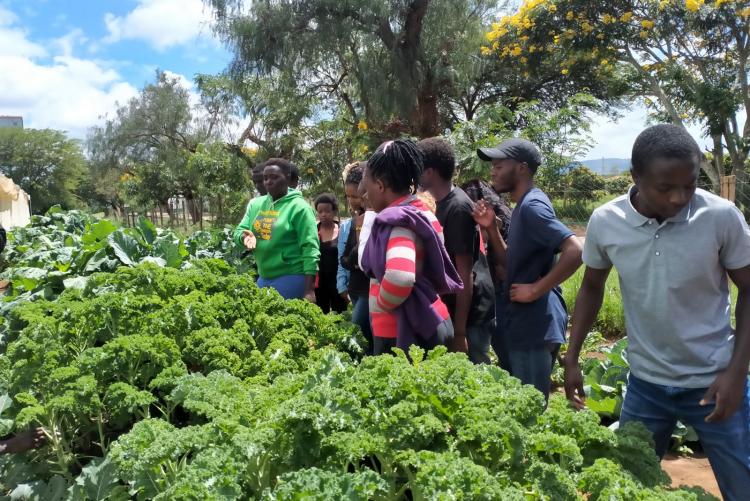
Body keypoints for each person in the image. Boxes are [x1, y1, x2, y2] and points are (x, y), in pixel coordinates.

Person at [563, 124, 750, 500]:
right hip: (646, 385)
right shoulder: (606, 221)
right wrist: (571, 357)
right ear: (635, 177)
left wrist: (736, 372)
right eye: (665, 188)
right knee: (630, 486)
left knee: (742, 486)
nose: (680, 197)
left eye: (690, 184)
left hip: (714, 383)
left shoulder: (721, 217)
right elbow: (592, 287)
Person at [474, 138, 582, 400]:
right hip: (527, 323)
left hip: (535, 324)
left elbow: (575, 250)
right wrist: (491, 228)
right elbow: (513, 260)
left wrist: (535, 289)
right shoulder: (523, 205)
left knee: (530, 410)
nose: (493, 171)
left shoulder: (532, 206)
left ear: (522, 168)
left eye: (499, 166)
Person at [359, 139, 462, 355]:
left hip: (401, 331)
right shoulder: (422, 213)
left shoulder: (398, 220)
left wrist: (381, 303)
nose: (366, 196)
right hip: (431, 316)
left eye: (367, 190)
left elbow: (400, 276)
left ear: (380, 185)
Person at [418, 138, 496, 364]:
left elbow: (465, 274)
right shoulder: (439, 203)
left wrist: (459, 333)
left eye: (418, 168)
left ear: (430, 172)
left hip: (472, 315)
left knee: (475, 373)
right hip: (459, 309)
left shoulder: (457, 207)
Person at [233, 158, 320, 301]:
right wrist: (244, 237)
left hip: (291, 276)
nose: (268, 181)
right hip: (264, 276)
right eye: (265, 178)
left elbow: (310, 248)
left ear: (287, 178)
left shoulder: (299, 207)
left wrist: (309, 289)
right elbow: (239, 231)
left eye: (274, 177)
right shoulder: (256, 205)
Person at [462, 178, 513, 371]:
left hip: (496, 296)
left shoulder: (498, 224)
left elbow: (504, 268)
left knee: (498, 348)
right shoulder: (497, 220)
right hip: (491, 295)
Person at [337, 162, 373, 353]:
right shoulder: (352, 221)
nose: (351, 201)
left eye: (356, 196)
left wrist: (352, 261)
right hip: (356, 289)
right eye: (348, 196)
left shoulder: (373, 219)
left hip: (369, 291)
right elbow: (346, 259)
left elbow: (361, 258)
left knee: (356, 336)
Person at [314, 193, 347, 313]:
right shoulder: (313, 231)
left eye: (327, 211)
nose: (323, 214)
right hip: (318, 283)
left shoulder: (342, 231)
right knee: (319, 316)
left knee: (341, 315)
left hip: (338, 282)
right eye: (320, 211)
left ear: (334, 211)